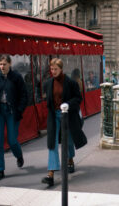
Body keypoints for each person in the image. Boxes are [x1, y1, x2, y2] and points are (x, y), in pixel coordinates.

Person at [42, 58, 87, 187]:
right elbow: (47, 99)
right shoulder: (48, 83)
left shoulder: (71, 83)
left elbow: (78, 98)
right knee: (52, 143)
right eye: (51, 69)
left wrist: (67, 104)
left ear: (61, 69)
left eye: (55, 69)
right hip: (53, 116)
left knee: (68, 140)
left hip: (67, 115)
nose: (53, 71)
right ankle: (50, 174)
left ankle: (70, 160)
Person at [0, 54, 28, 181]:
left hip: (12, 112)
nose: (2, 66)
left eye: (4, 64)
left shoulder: (17, 78)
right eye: (0, 64)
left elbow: (24, 95)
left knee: (12, 140)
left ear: (10, 64)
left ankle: (19, 156)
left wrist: (19, 109)